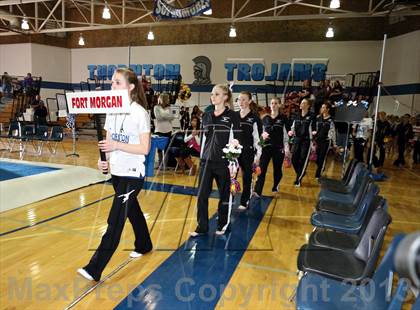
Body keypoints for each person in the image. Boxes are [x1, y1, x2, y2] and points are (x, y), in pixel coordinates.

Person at [77, 68, 152, 282]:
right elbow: (108, 144)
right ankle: (144, 244)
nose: (112, 86)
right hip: (118, 173)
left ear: (130, 87)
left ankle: (94, 268)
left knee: (116, 220)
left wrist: (116, 144)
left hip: (133, 174)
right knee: (132, 211)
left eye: (117, 82)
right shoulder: (111, 110)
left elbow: (145, 148)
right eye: (112, 82)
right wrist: (105, 160)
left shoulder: (140, 113)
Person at [190, 84, 241, 237]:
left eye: (217, 94)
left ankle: (223, 224)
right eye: (212, 94)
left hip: (223, 162)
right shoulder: (206, 116)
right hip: (206, 162)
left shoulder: (233, 116)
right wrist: (201, 157)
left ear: (225, 97)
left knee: (225, 196)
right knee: (202, 195)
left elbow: (235, 141)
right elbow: (205, 139)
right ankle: (202, 226)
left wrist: (233, 163)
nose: (213, 97)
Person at [254, 97, 290, 196]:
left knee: (277, 170)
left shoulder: (283, 118)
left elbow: (286, 135)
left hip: (278, 148)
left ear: (279, 105)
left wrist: (286, 149)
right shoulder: (265, 119)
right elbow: (261, 134)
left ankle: (275, 187)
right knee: (261, 168)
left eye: (275, 103)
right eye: (272, 103)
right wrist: (259, 147)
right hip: (266, 148)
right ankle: (257, 190)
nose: (273, 105)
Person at [236, 91, 262, 210]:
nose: (241, 102)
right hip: (234, 152)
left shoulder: (255, 118)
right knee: (230, 176)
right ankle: (229, 198)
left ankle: (244, 200)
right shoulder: (234, 116)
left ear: (250, 101)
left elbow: (258, 139)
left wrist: (258, 156)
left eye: (244, 99)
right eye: (239, 99)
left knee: (246, 177)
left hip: (248, 152)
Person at [289, 99, 316, 187]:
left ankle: (298, 179)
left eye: (304, 103)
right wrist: (291, 133)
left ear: (308, 106)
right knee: (294, 159)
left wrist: (313, 141)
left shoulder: (312, 116)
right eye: (301, 102)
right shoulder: (296, 115)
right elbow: (292, 127)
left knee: (302, 159)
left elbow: (314, 130)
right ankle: (301, 172)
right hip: (297, 140)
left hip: (306, 141)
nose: (301, 104)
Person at [314, 102, 336, 179]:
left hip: (326, 141)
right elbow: (315, 129)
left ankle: (318, 174)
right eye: (321, 107)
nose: (322, 109)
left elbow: (333, 132)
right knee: (317, 158)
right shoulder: (318, 118)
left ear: (328, 109)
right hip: (318, 141)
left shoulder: (331, 120)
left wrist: (334, 144)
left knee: (322, 157)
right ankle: (321, 167)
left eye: (324, 107)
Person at [154, 93, 174, 167]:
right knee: (159, 149)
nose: (169, 100)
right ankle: (160, 165)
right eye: (168, 98)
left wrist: (163, 116)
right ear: (164, 99)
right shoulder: (156, 107)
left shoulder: (169, 108)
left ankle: (165, 165)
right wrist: (167, 116)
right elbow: (158, 118)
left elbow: (172, 117)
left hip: (168, 130)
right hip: (159, 130)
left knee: (166, 149)